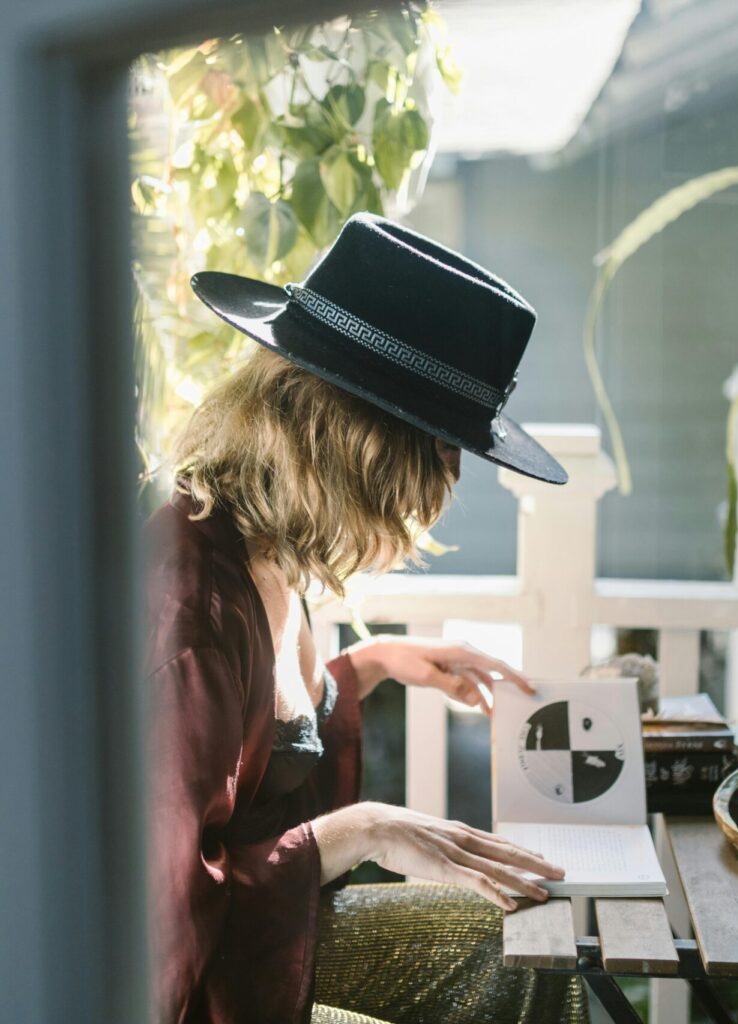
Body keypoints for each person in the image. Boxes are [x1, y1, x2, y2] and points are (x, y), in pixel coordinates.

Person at [144, 213, 589, 1024]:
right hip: (199, 986)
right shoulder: (192, 621)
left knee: (519, 943)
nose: (446, 483)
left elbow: (258, 746)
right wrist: (359, 831)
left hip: (249, 940)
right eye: (439, 452)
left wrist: (374, 662)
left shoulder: (264, 544)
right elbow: (160, 918)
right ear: (355, 447)